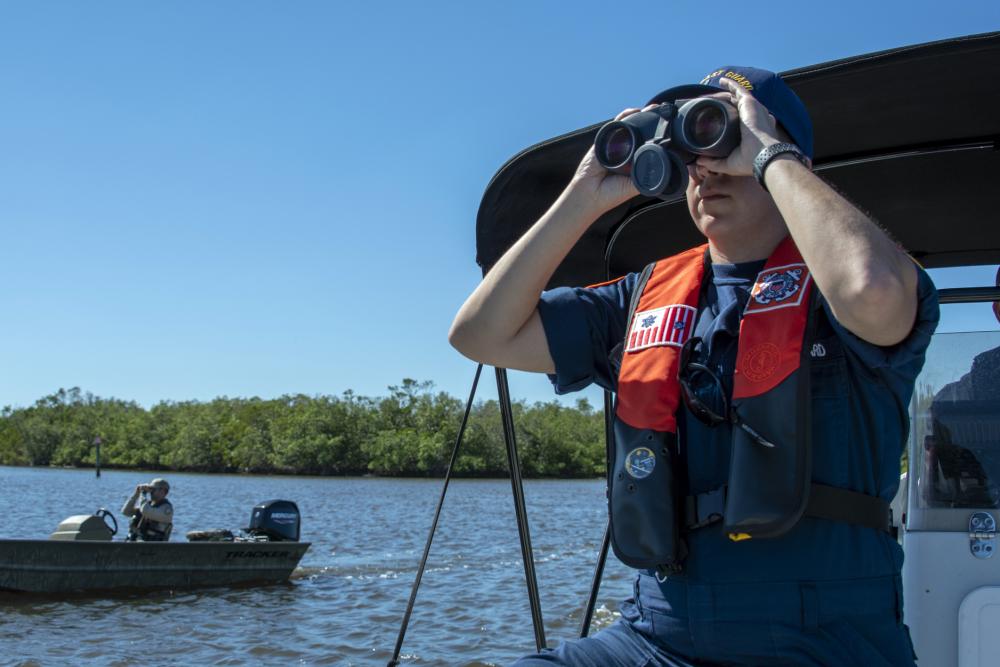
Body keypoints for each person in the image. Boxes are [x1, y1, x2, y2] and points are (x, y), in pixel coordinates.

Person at [450, 66, 939, 665]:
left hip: (825, 639)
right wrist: (585, 193)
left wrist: (768, 156)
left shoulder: (845, 283)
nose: (706, 167)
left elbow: (871, 290)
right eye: (691, 151)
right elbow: (481, 334)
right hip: (659, 633)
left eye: (724, 136)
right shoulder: (641, 298)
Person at [122, 477, 174, 541]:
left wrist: (143, 493)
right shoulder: (148, 505)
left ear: (163, 491)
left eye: (153, 489)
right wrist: (136, 494)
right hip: (137, 541)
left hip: (154, 544)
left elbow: (145, 511)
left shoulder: (166, 509)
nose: (150, 492)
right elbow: (126, 511)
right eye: (150, 489)